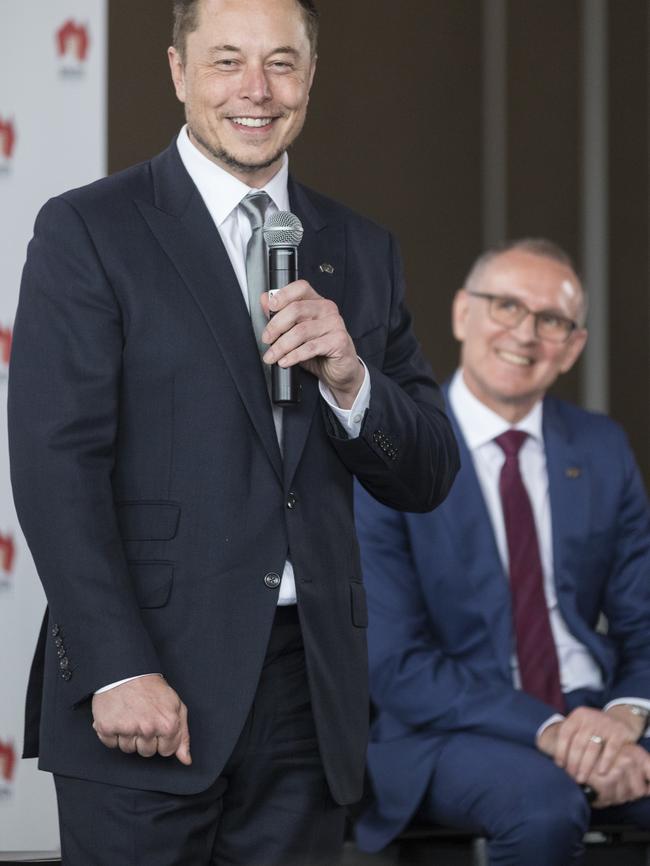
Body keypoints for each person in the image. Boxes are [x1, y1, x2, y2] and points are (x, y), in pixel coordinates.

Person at [7, 1, 459, 864]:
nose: (257, 90)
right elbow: (57, 465)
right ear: (178, 72)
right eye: (226, 62)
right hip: (149, 680)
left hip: (309, 691)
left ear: (312, 77)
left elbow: (429, 471)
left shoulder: (361, 250)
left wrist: (352, 377)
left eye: (282, 63)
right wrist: (114, 666)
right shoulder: (90, 230)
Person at [354, 239, 650, 865]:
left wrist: (624, 719)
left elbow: (644, 619)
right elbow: (394, 663)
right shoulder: (390, 450)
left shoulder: (599, 449)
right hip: (447, 729)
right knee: (544, 805)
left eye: (552, 320)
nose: (526, 333)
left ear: (572, 346)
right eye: (506, 307)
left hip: (593, 713)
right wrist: (550, 731)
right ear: (463, 313)